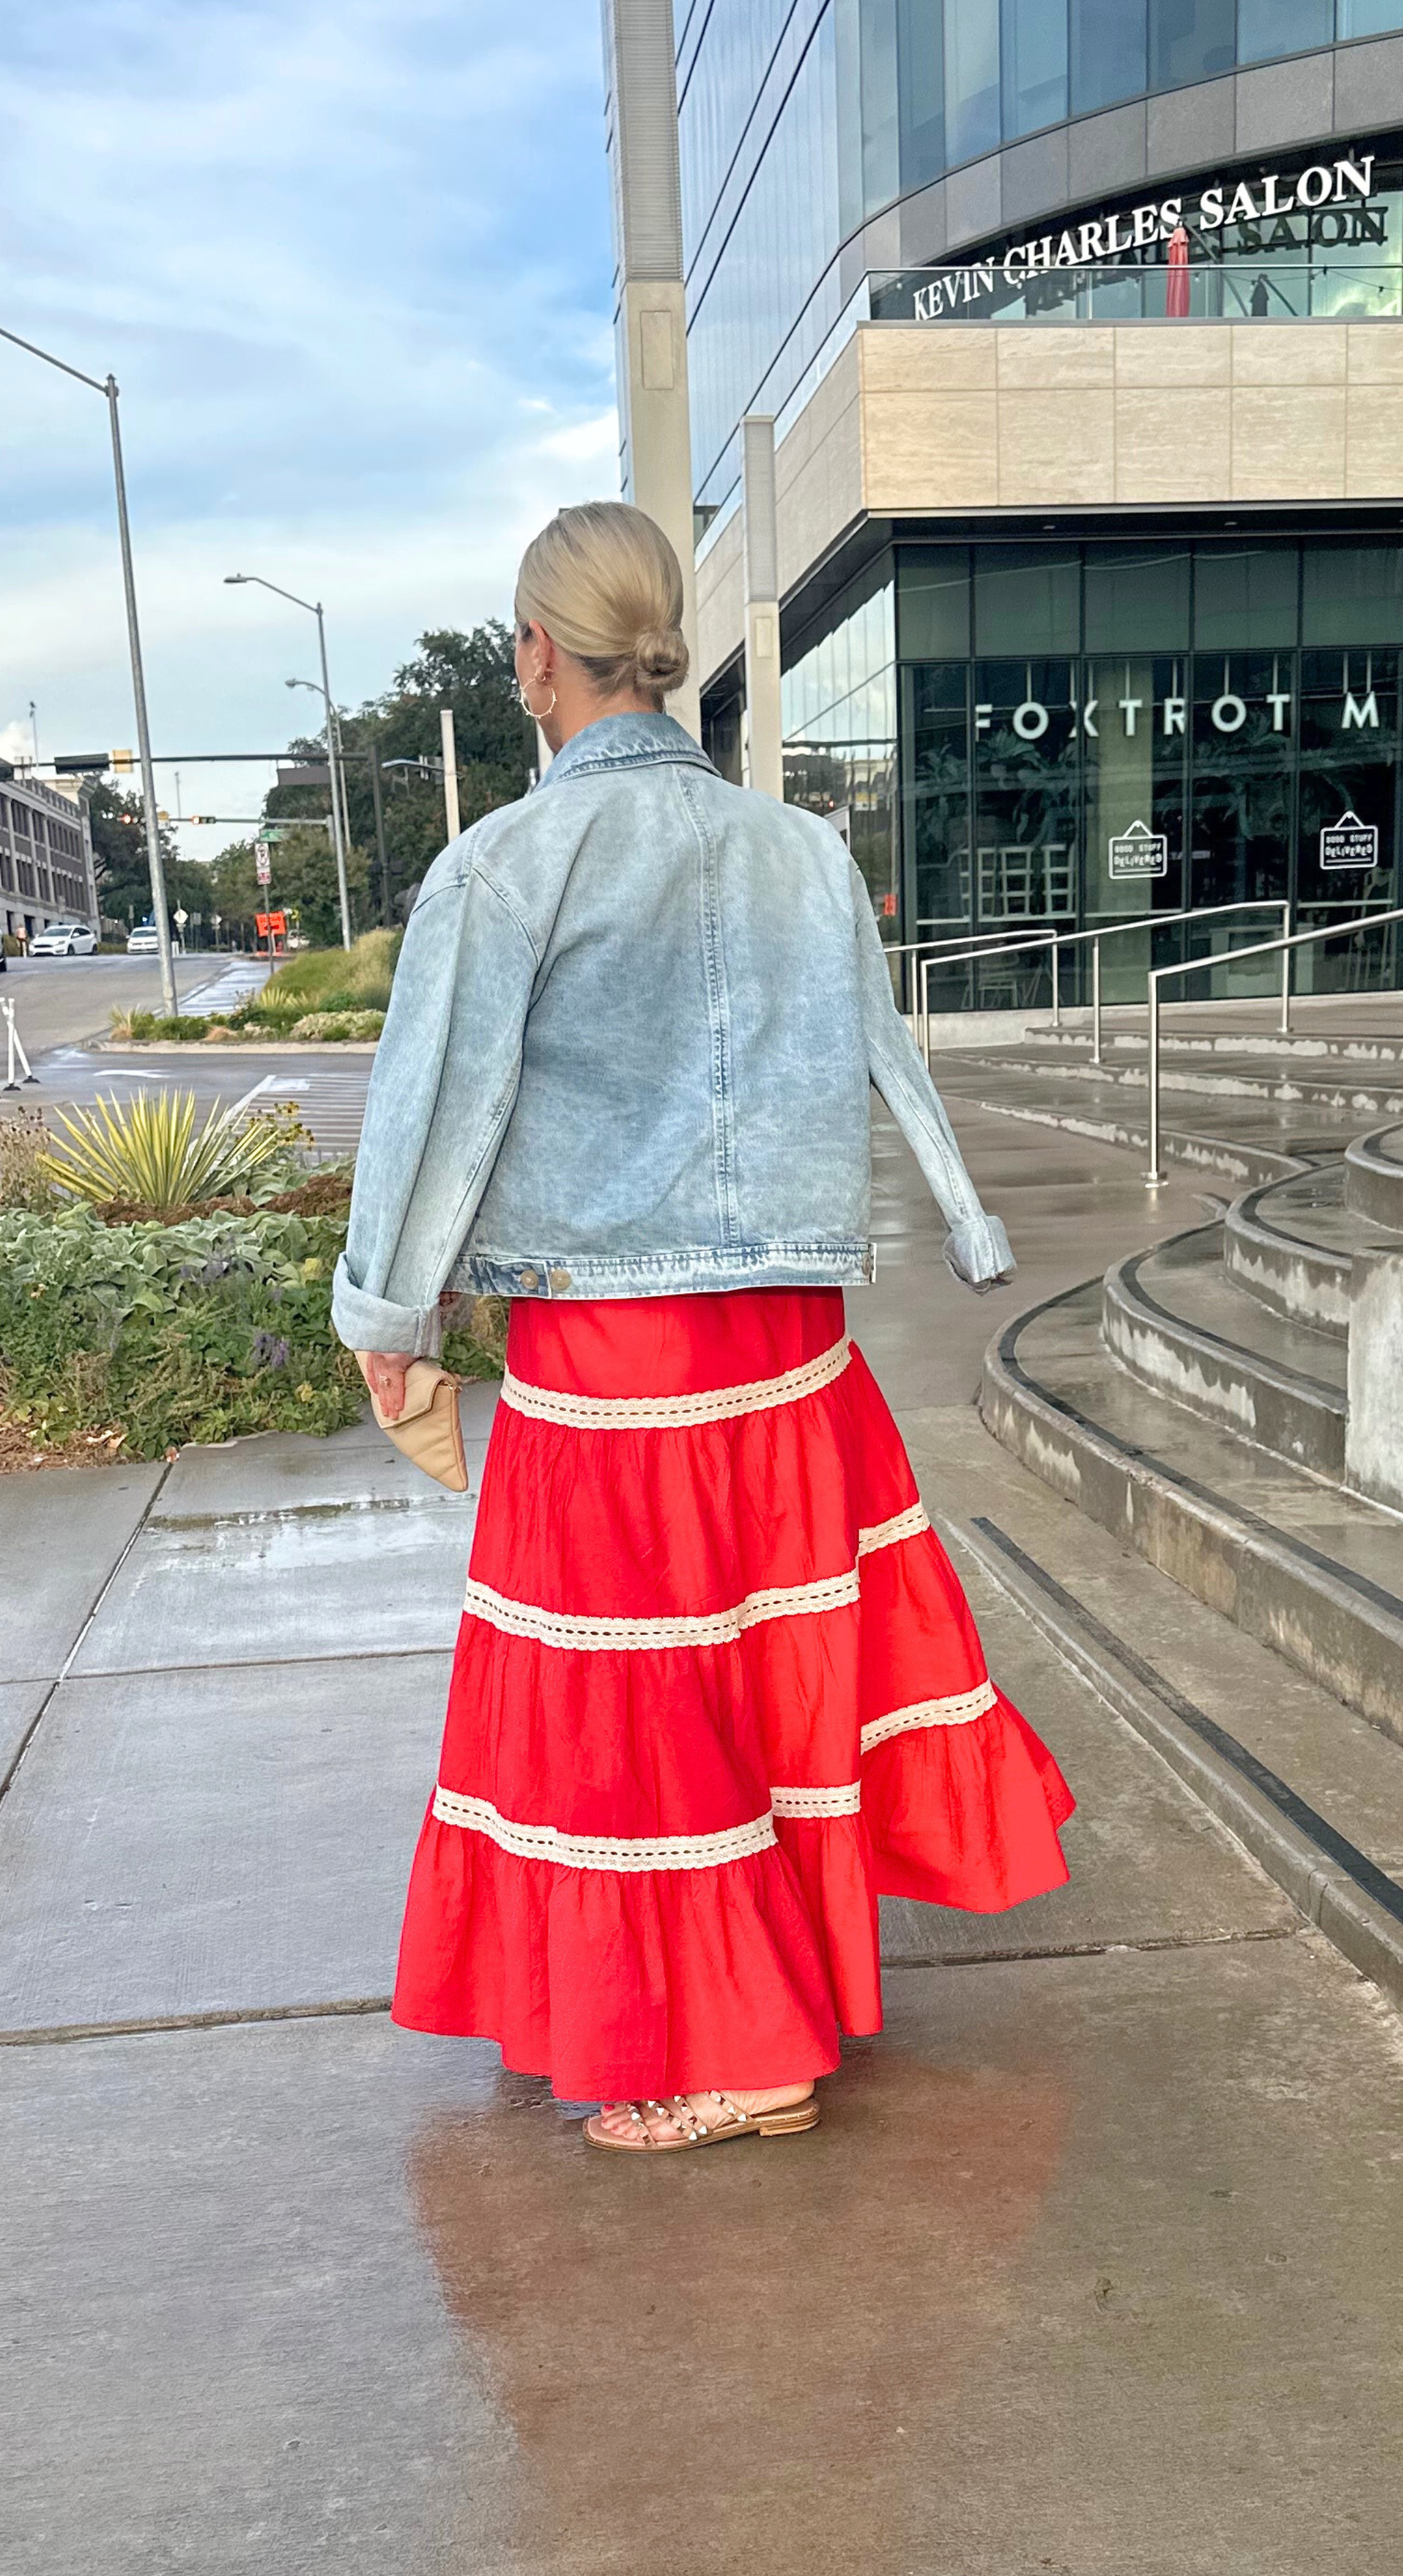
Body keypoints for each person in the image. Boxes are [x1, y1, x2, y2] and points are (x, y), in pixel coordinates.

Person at [332, 501, 1074, 2157]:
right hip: (793, 1358)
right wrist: (960, 1213)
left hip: (617, 1369)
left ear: (536, 654)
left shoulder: (504, 865)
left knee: (648, 1710)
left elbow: (440, 1109)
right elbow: (887, 1055)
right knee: (765, 1676)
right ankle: (760, 1995)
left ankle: (740, 2048)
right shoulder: (802, 851)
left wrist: (392, 1313)